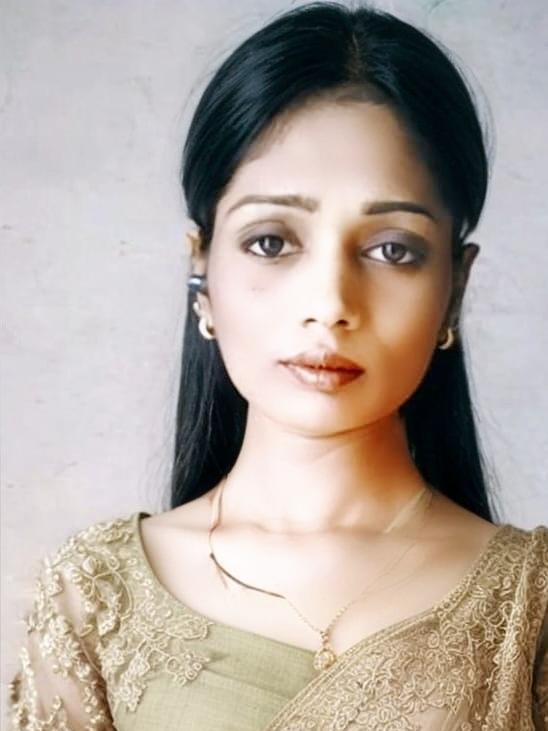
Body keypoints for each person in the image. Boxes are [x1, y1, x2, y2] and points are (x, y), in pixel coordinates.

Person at [7, 2, 547, 729]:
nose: (330, 303)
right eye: (271, 242)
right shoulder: (96, 597)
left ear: (455, 286)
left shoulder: (532, 605)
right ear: (202, 272)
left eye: (392, 249)